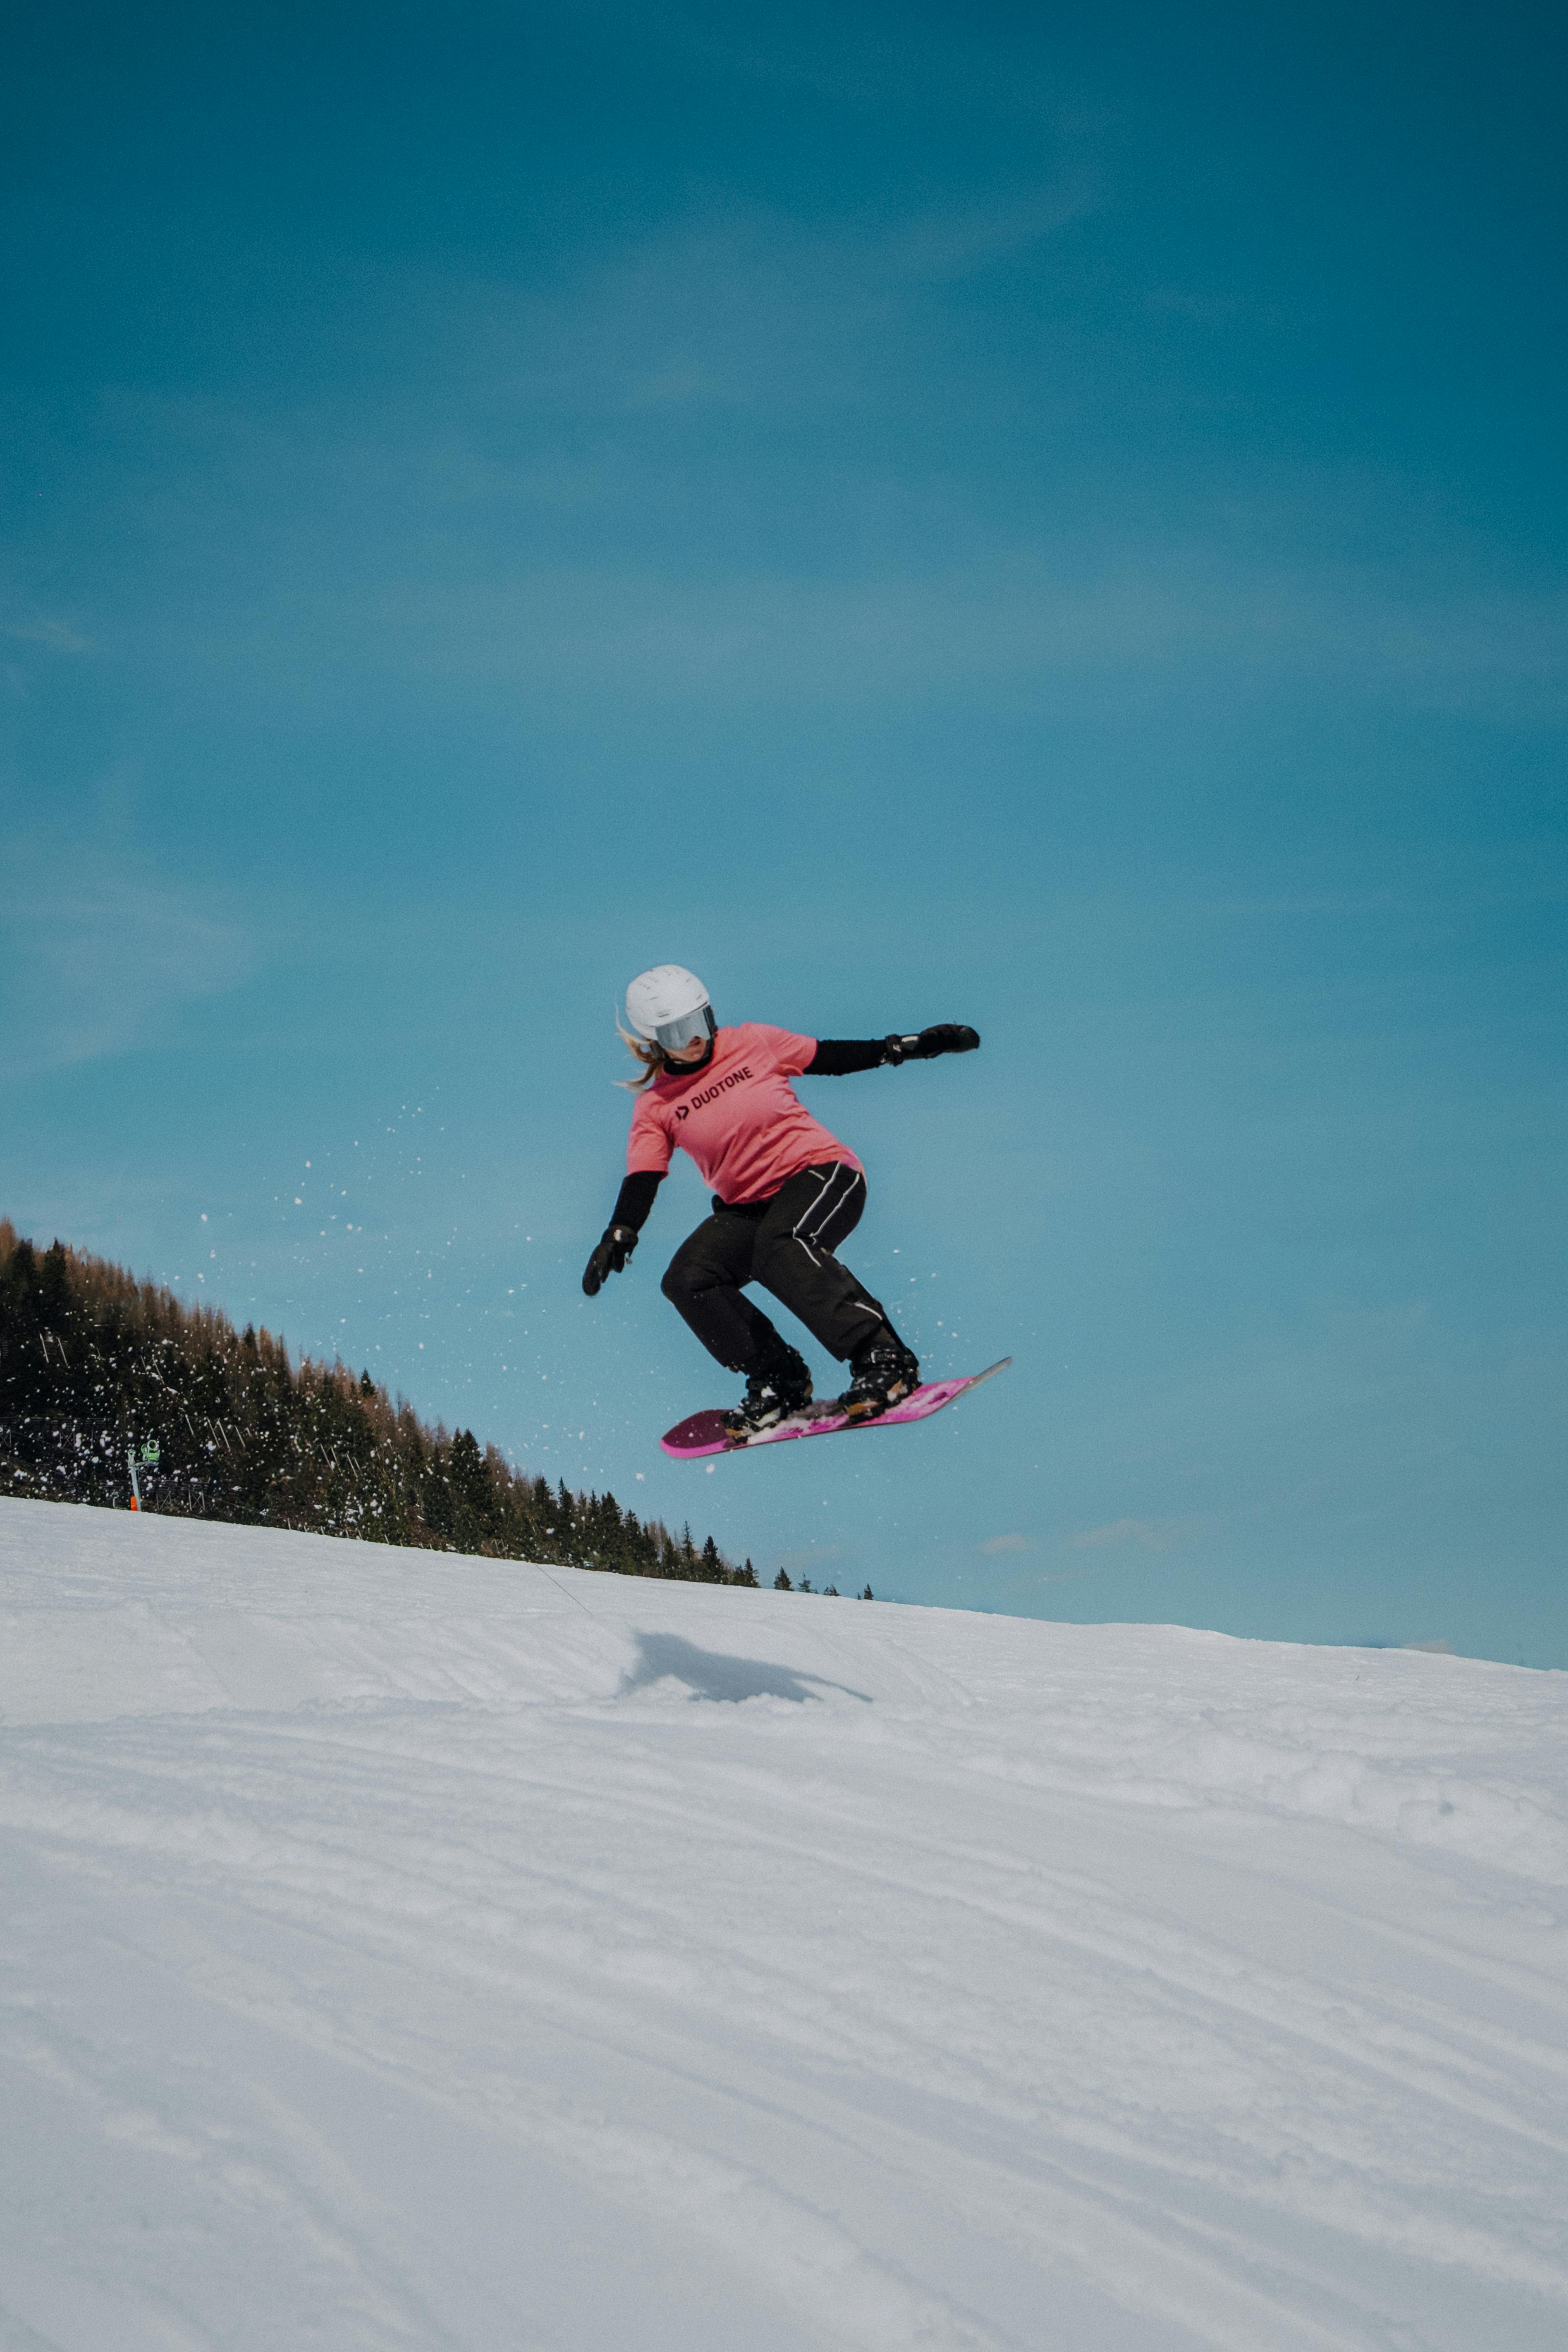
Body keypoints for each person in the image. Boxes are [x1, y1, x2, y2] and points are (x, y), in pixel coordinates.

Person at [582, 964, 980, 1438]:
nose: (695, 1038)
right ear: (654, 1039)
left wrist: (909, 1047)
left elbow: (830, 1055)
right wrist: (620, 1231)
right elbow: (644, 1174)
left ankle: (883, 1356)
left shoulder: (752, 1042)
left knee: (783, 1244)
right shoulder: (657, 1105)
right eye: (677, 1031)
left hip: (822, 1173)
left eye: (700, 1022)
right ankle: (778, 1379)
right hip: (750, 1206)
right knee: (688, 1279)